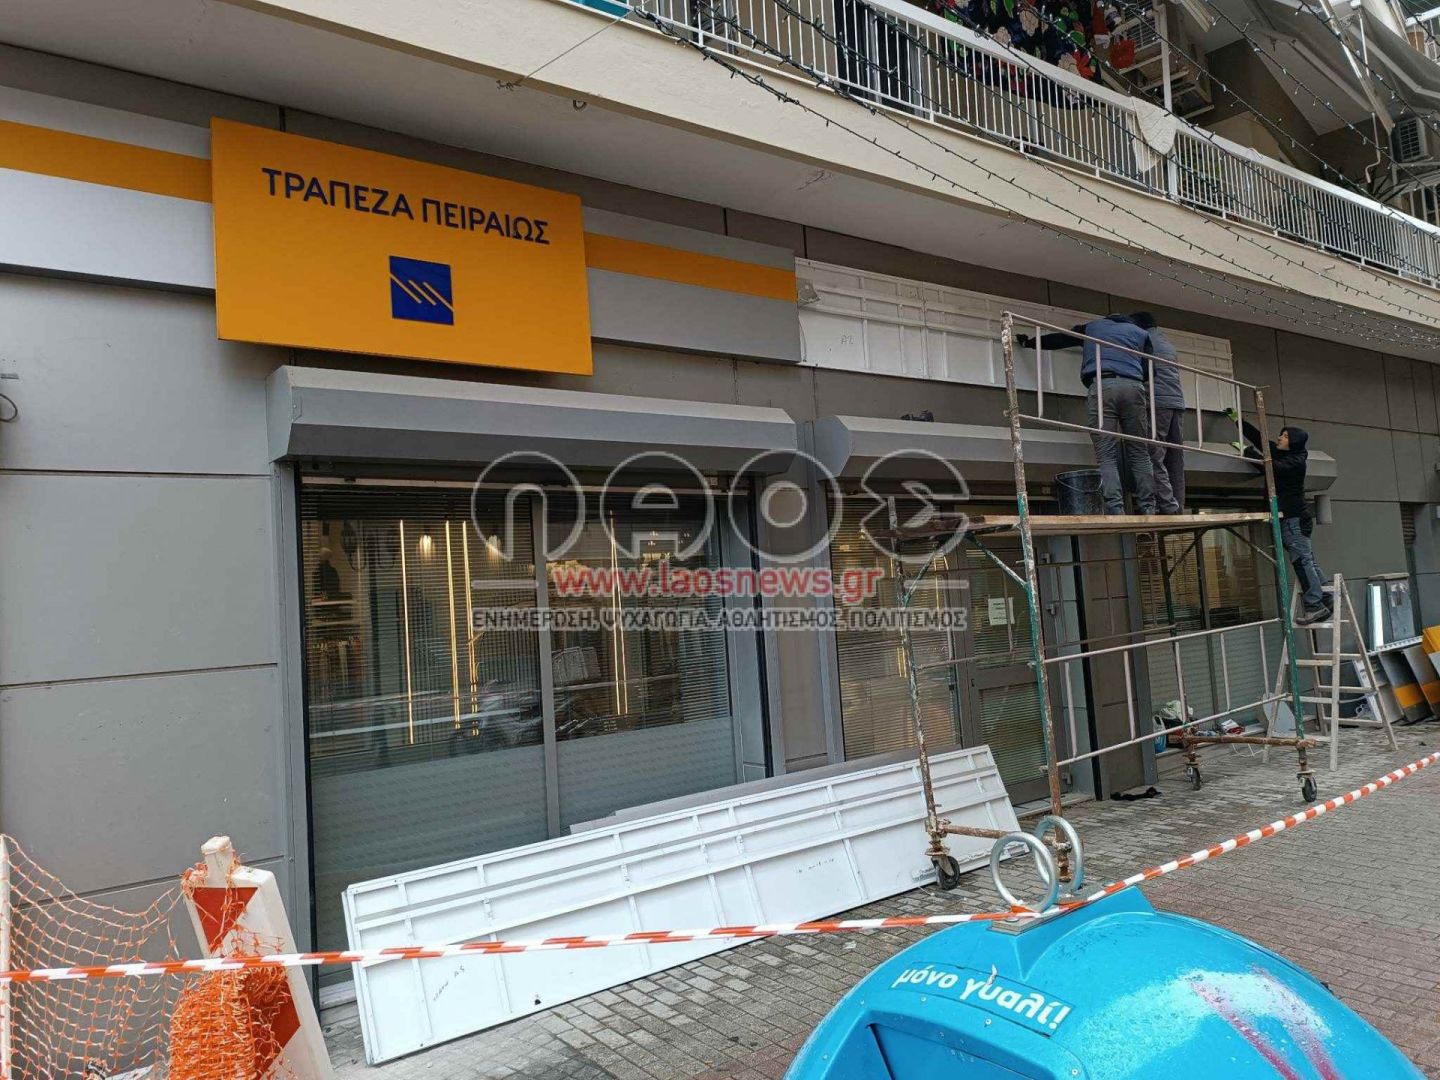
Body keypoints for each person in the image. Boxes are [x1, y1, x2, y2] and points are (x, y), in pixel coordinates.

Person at [1018, 314, 1156, 515]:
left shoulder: (1092, 327)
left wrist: (1029, 342)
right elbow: (1150, 372)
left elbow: (1061, 339)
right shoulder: (1141, 334)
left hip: (1102, 386)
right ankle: (1148, 507)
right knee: (1140, 452)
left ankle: (1116, 509)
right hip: (1134, 388)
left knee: (1106, 454)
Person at [1233, 417, 1330, 625]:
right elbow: (1261, 440)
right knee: (1307, 560)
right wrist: (1238, 421)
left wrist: (1248, 453)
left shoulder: (1295, 462)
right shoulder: (1287, 454)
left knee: (1302, 562)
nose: (1280, 438)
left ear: (1293, 442)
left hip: (1293, 519)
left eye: (1285, 436)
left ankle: (1314, 605)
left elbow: (1271, 468)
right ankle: (1326, 597)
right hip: (1295, 519)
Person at [1130, 313, 1185, 514]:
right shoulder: (1167, 344)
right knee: (1175, 458)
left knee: (1154, 455)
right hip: (1176, 403)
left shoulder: (1143, 340)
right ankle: (1178, 505)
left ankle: (1168, 505)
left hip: (1157, 403)